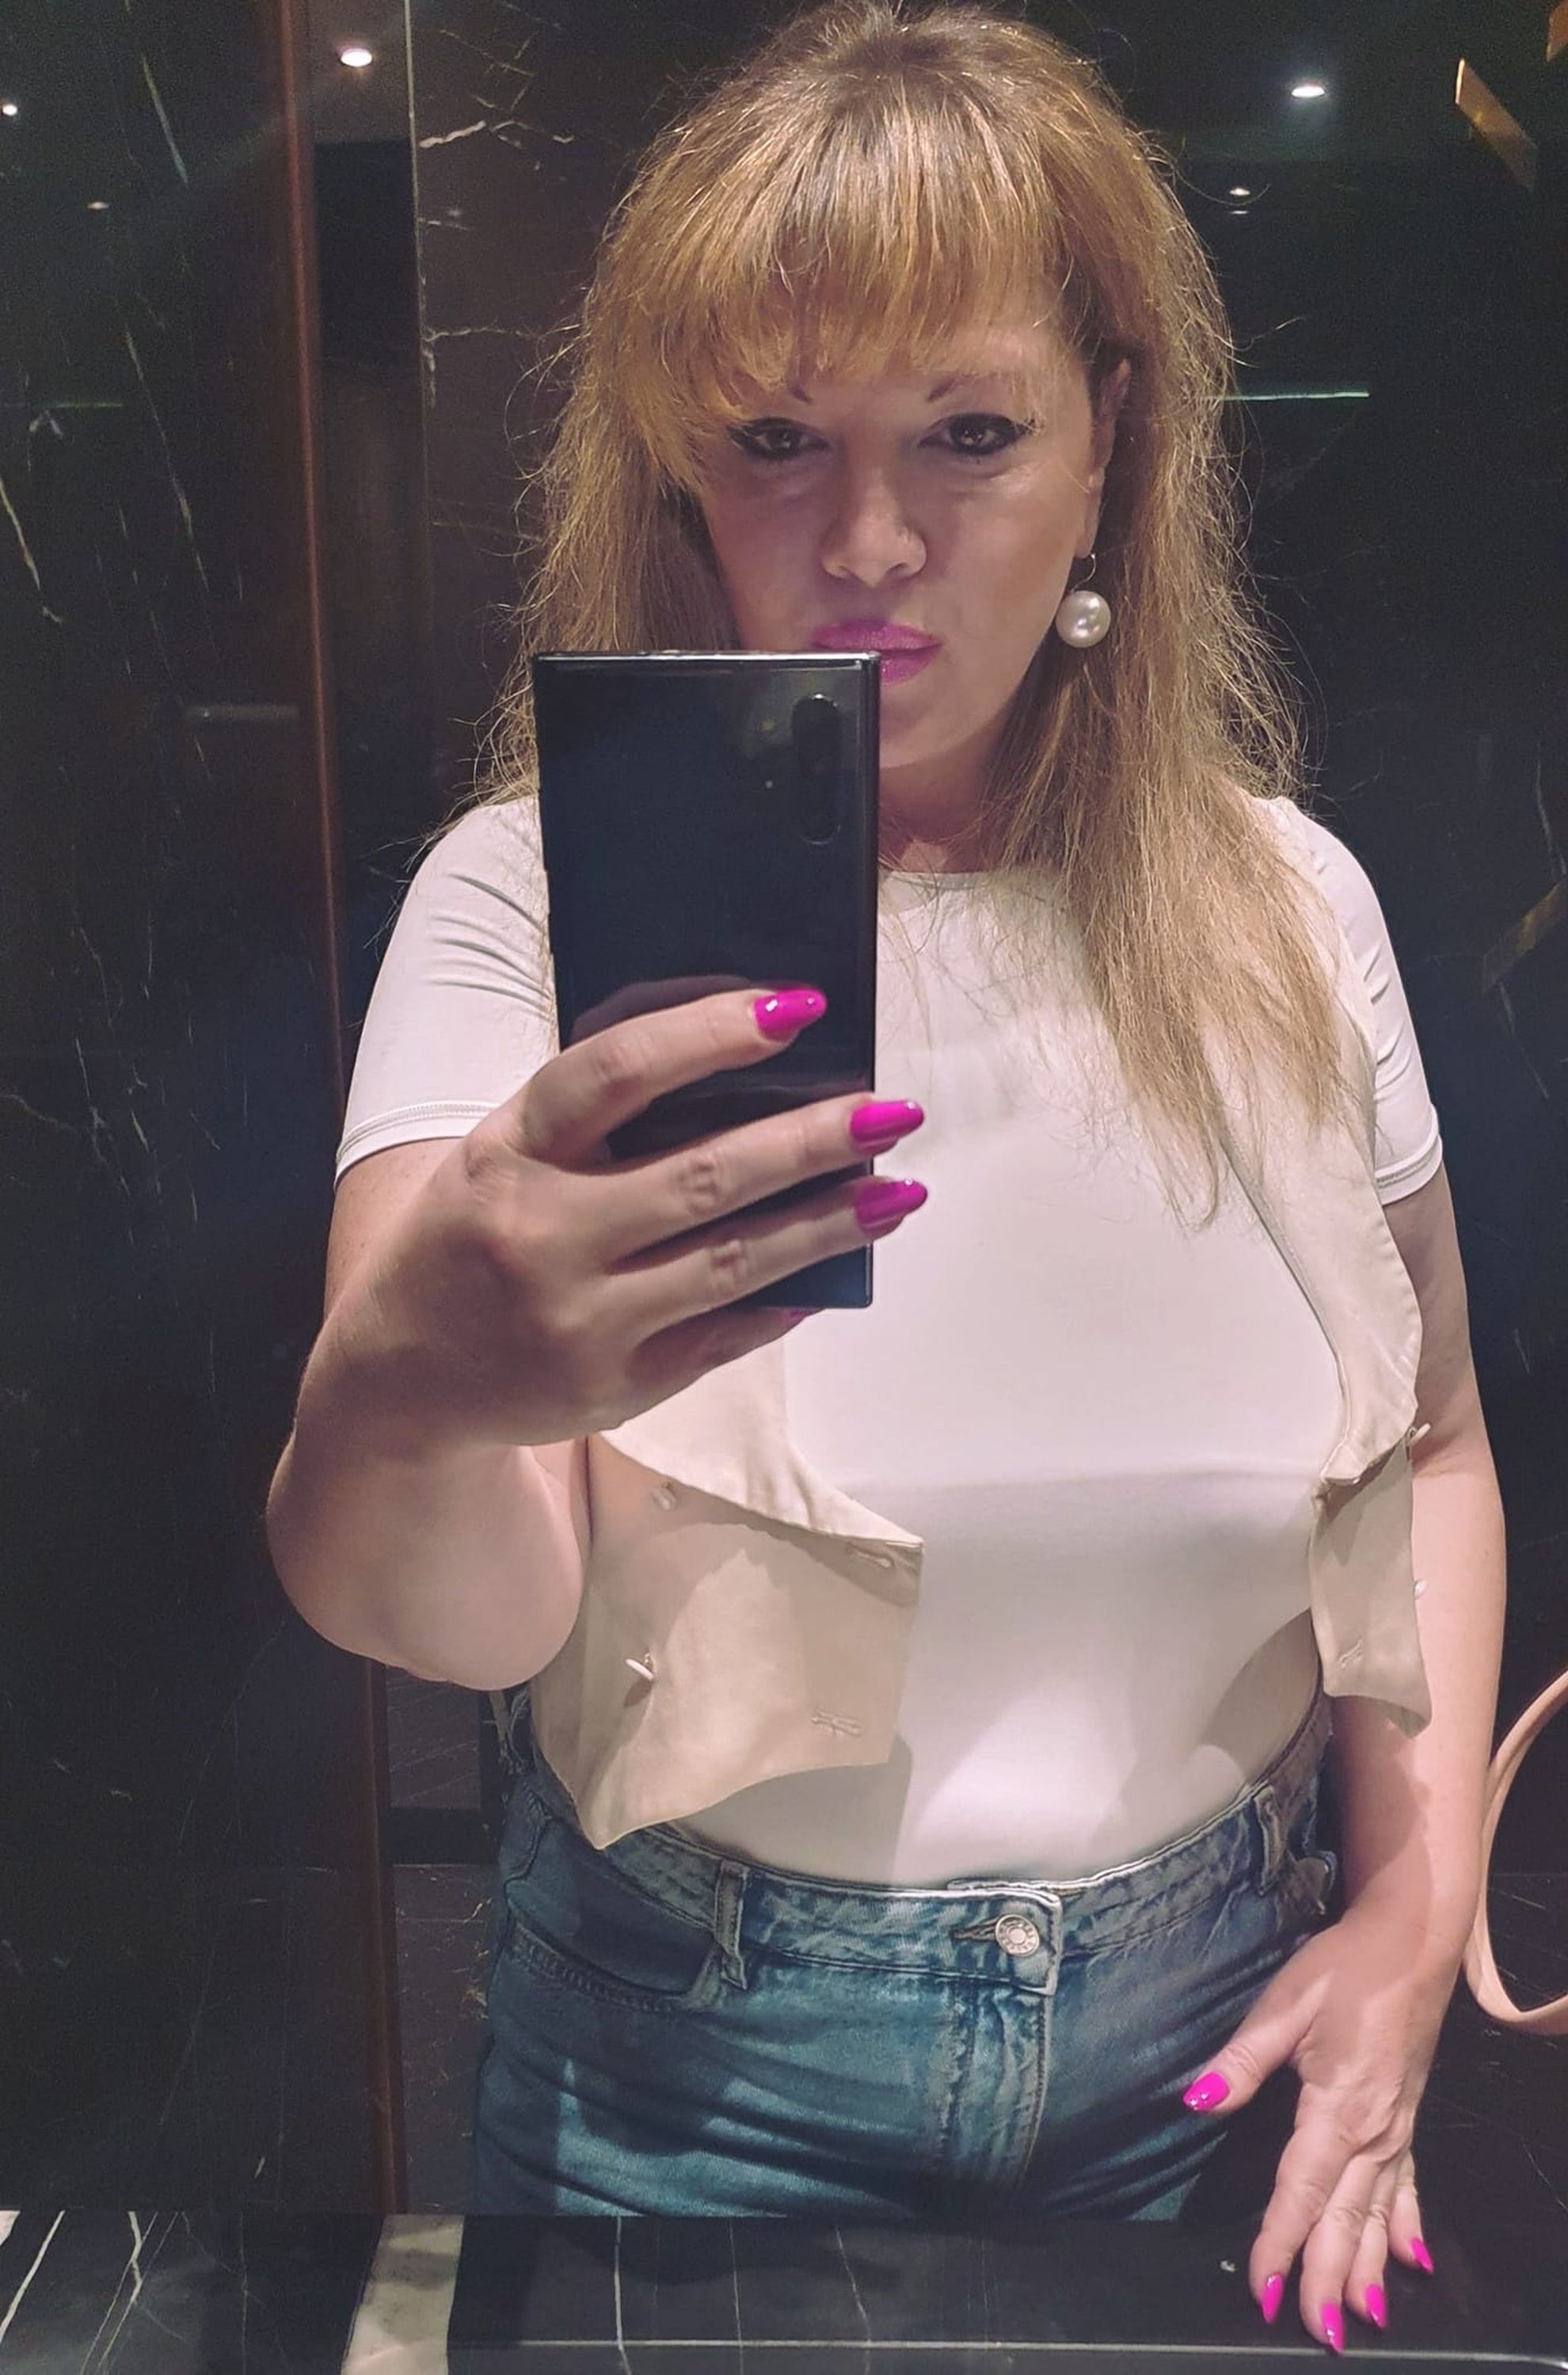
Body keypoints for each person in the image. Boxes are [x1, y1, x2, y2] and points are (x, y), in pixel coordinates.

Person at [266, 0, 1506, 2350]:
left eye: (970, 430)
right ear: (676, 461)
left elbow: (1433, 1448)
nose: (866, 539)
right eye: (774, 438)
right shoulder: (525, 908)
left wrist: (1411, 1915)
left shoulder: (1284, 906)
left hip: (1219, 2047)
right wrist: (405, 1395)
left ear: (1109, 440)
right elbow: (446, 1618)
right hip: (692, 2074)